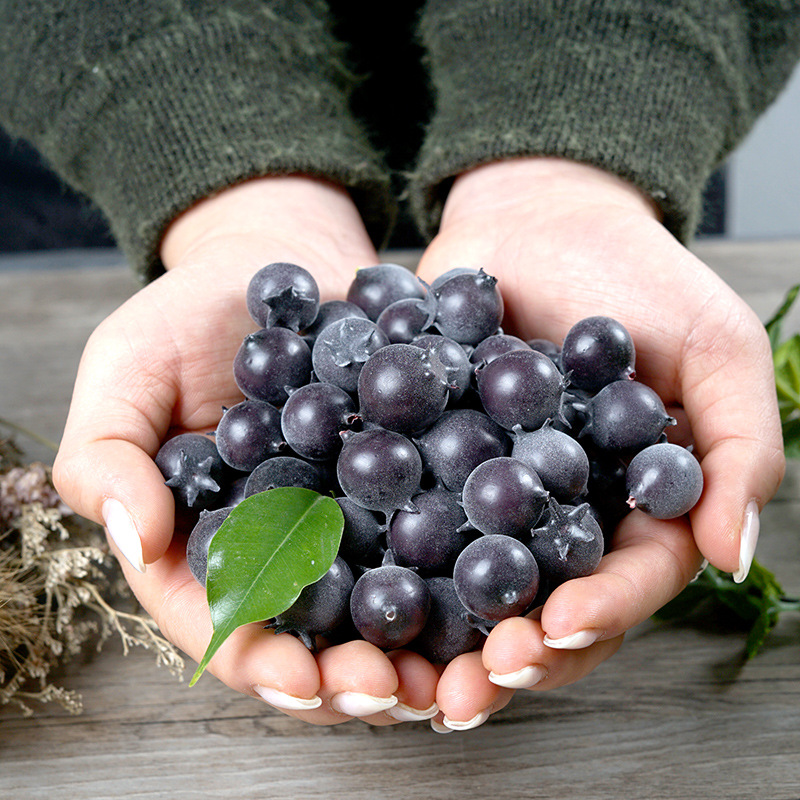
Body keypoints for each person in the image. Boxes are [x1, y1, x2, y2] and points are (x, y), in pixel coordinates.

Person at [1, 1, 797, 731]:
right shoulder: (316, 426)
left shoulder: (517, 444)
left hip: (611, 80)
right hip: (129, 91)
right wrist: (232, 205)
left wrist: (568, 176)